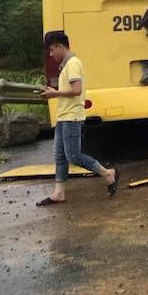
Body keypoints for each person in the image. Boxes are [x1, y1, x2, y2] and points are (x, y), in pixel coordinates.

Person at [38, 32, 118, 205]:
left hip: (72, 117)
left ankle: (107, 173)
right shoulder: (66, 66)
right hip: (63, 116)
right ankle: (59, 192)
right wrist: (53, 92)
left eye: (52, 50)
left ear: (60, 47)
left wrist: (55, 93)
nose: (51, 54)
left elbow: (76, 90)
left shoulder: (73, 63)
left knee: (73, 156)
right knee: (60, 156)